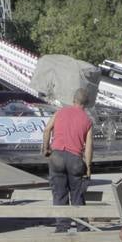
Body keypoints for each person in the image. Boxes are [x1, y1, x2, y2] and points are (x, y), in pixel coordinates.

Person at [41, 88, 94, 233]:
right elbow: (89, 147)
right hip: (75, 159)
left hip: (57, 156)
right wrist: (88, 167)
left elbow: (47, 130)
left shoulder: (60, 112)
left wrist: (46, 149)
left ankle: (62, 227)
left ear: (73, 100)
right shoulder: (87, 121)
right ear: (87, 103)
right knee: (77, 194)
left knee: (59, 193)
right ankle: (82, 227)